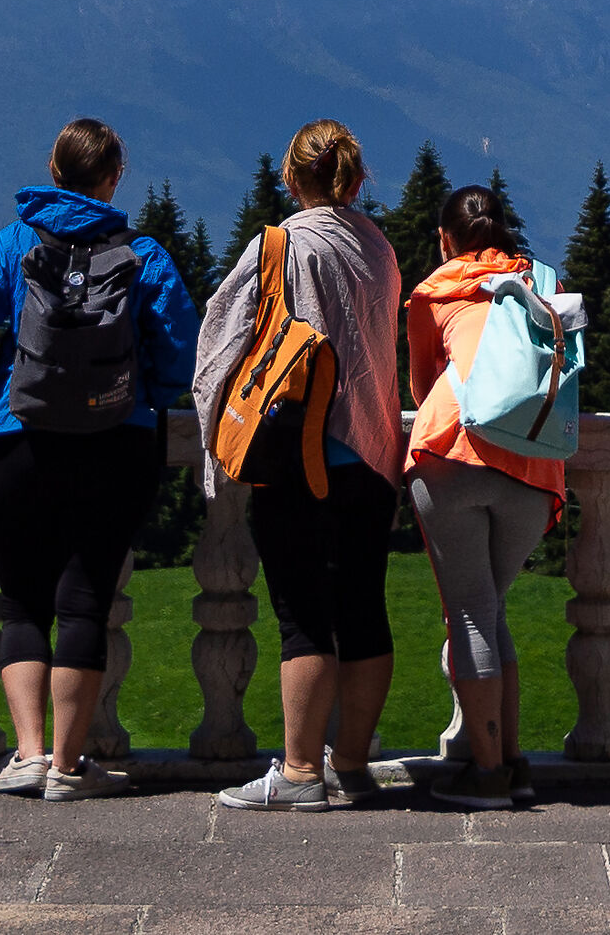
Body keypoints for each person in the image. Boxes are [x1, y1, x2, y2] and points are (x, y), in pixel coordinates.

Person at [0, 117, 199, 801]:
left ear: (53, 171)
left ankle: (28, 756)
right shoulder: (142, 254)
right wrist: (144, 395)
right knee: (86, 602)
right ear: (113, 178)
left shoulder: (13, 244)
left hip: (17, 442)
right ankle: (67, 767)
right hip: (117, 444)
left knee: (23, 602)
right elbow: (181, 347)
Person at [195, 120, 403, 812]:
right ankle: (353, 764)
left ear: (291, 178)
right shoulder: (380, 250)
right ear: (357, 179)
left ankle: (300, 772)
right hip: (372, 454)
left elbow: (221, 337)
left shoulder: (281, 245)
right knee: (365, 610)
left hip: (300, 454)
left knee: (304, 618)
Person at [405, 182, 567, 809]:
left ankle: (490, 773)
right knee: (491, 612)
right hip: (532, 460)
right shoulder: (542, 284)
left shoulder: (435, 292)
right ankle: (511, 762)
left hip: (453, 451)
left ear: (445, 239)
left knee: (471, 614)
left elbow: (423, 387)